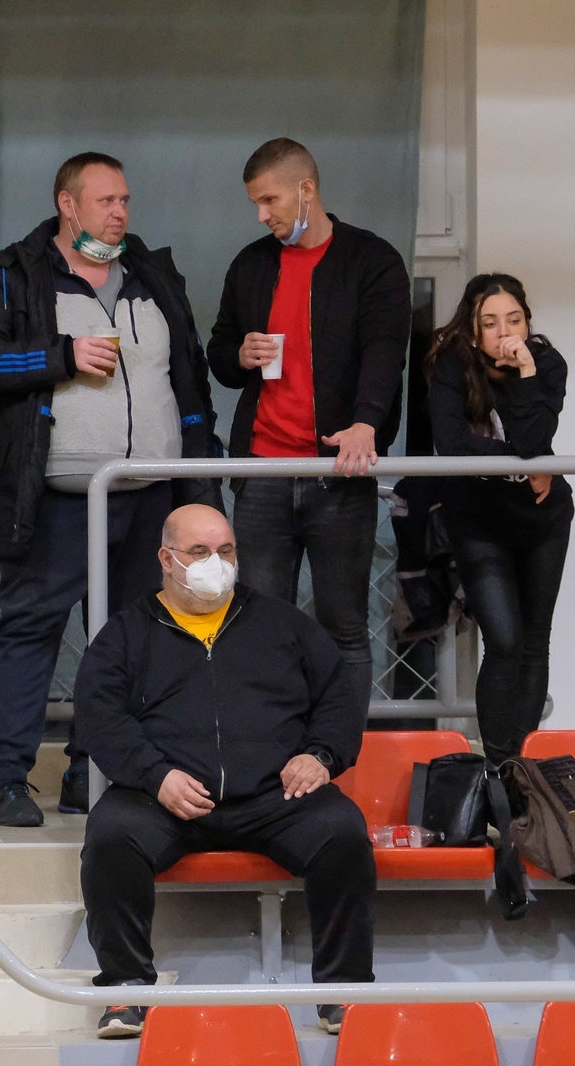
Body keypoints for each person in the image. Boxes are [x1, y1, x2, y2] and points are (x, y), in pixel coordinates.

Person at [0, 152, 222, 827]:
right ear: (66, 205)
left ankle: (89, 771)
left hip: (150, 492)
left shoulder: (153, 276)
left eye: (124, 200)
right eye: (105, 201)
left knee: (131, 639)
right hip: (58, 495)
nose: (120, 212)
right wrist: (60, 357)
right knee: (30, 631)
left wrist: (198, 475)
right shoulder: (13, 274)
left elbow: (188, 379)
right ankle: (8, 780)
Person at [75, 505, 376, 1039]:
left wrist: (321, 755)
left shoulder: (283, 623)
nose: (216, 563)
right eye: (199, 552)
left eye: (226, 550)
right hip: (166, 799)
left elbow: (338, 697)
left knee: (342, 831)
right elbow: (101, 717)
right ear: (166, 559)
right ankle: (125, 988)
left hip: (275, 797)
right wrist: (155, 775)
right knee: (110, 835)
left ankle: (344, 991)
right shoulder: (125, 633)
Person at [206, 137, 411, 732]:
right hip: (261, 472)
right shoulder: (251, 264)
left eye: (268, 200)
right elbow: (218, 352)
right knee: (258, 627)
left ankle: (335, 757)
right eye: (254, 203)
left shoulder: (372, 260)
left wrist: (366, 424)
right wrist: (238, 354)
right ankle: (269, 755)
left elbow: (385, 352)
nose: (260, 215)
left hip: (338, 474)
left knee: (343, 626)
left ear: (307, 189)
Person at [426, 273, 573, 764]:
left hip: (542, 517)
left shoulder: (545, 363)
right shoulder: (451, 364)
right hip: (478, 518)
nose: (504, 332)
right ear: (472, 331)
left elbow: (535, 441)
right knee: (504, 640)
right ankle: (497, 766)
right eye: (490, 323)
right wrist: (523, 463)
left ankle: (521, 767)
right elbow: (452, 444)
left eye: (514, 320)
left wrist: (526, 371)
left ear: (528, 322)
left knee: (533, 642)